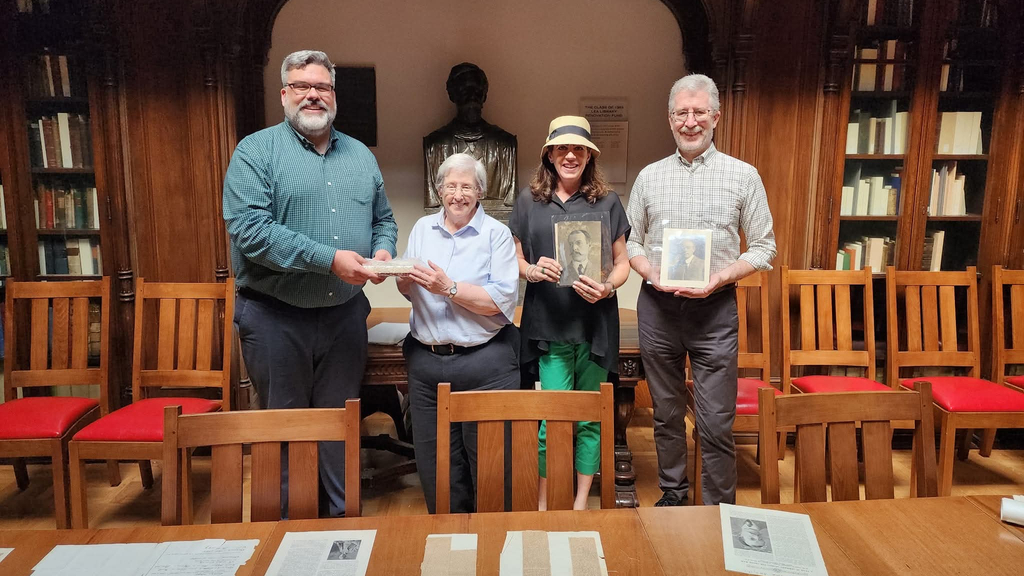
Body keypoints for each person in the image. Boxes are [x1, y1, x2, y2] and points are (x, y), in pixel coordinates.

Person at [223, 50, 398, 518]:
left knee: (341, 428)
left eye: (322, 86)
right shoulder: (255, 152)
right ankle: (290, 531)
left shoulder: (360, 156)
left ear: (334, 95)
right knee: (286, 432)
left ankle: (343, 525)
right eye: (302, 86)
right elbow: (251, 233)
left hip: (344, 318)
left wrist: (383, 251)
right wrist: (330, 261)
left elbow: (384, 220)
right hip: (275, 318)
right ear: (285, 94)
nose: (313, 95)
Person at [626, 74, 776, 507]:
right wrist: (650, 272)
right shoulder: (649, 177)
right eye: (681, 113)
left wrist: (721, 277)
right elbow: (631, 242)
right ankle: (674, 495)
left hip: (715, 311)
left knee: (715, 421)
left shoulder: (743, 176)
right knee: (666, 414)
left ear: (716, 116)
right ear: (670, 118)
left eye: (699, 112)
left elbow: (764, 247)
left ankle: (717, 509)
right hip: (658, 309)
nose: (690, 121)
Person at [509, 116, 631, 510]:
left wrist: (608, 286)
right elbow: (514, 259)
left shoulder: (608, 202)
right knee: (551, 421)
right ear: (549, 154)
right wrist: (531, 270)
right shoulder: (528, 200)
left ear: (589, 156)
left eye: (579, 148)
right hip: (548, 326)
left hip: (596, 324)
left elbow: (623, 263)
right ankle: (545, 504)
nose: (570, 155)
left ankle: (579, 504)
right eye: (562, 148)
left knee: (591, 419)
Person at [398, 153, 520, 514]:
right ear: (439, 190)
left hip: (485, 366)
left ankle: (492, 539)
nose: (458, 194)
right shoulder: (422, 229)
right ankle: (448, 539)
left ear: (480, 191)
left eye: (466, 186)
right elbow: (410, 291)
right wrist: (402, 280)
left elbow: (500, 303)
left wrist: (448, 288)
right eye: (450, 186)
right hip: (427, 366)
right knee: (438, 469)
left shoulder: (496, 235)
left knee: (490, 468)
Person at [423, 63, 518, 209]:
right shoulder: (434, 146)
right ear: (452, 95)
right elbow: (433, 207)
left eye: (477, 90)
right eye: (465, 90)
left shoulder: (506, 145)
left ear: (484, 95)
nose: (472, 97)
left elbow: (509, 206)